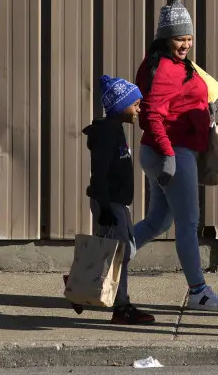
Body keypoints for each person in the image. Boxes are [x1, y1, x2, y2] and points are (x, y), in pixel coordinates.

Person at [133, 0, 218, 311]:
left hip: (165, 152)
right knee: (188, 224)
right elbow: (152, 115)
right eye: (180, 38)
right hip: (173, 153)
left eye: (189, 38)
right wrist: (170, 156)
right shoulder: (164, 69)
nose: (186, 44)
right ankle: (199, 293)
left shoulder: (171, 65)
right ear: (165, 39)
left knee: (157, 222)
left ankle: (106, 261)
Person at [79, 75, 155, 324]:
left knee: (115, 253)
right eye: (135, 104)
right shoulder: (106, 135)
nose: (139, 109)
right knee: (119, 254)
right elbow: (99, 173)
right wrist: (104, 207)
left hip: (116, 203)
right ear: (119, 105)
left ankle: (79, 285)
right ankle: (121, 308)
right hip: (109, 203)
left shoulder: (116, 130)